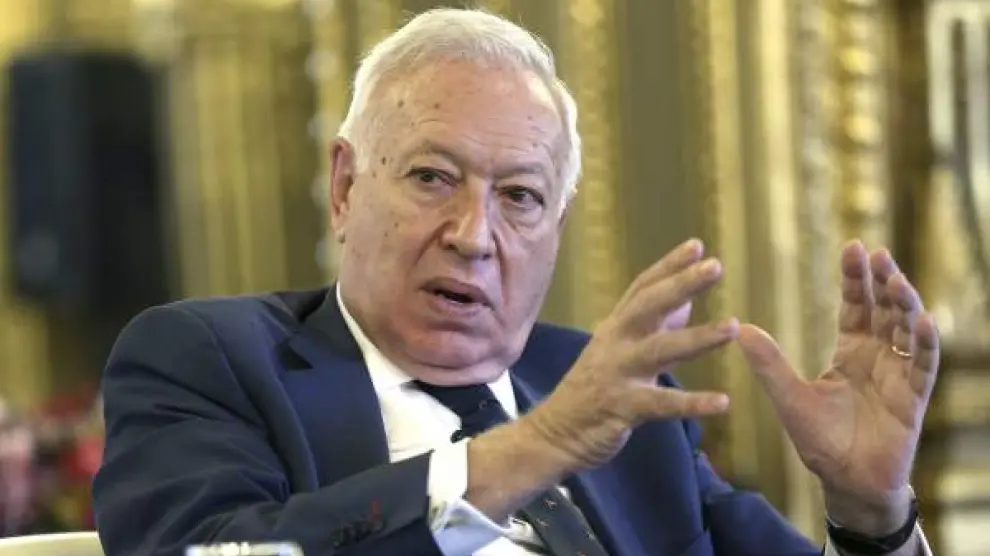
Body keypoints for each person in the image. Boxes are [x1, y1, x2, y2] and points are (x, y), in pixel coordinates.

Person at [92, 8, 938, 556]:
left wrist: (873, 515)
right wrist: (542, 445)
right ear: (345, 188)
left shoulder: (621, 409)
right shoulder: (212, 361)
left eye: (520, 197)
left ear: (555, 229)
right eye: (432, 178)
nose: (473, 236)